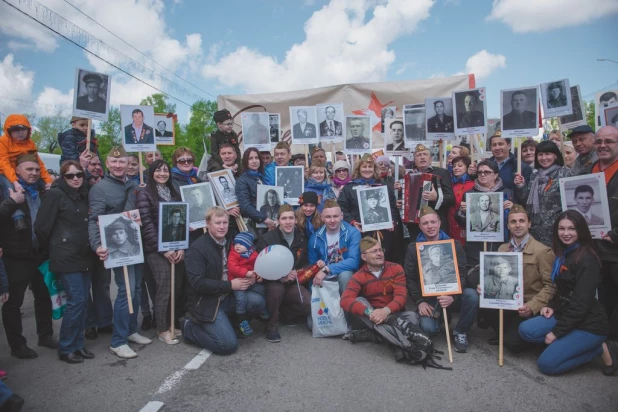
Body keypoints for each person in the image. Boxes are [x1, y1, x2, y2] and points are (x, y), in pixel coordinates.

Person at [518, 210, 617, 375]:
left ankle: (598, 349)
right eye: (561, 229)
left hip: (589, 324)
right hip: (565, 312)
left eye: (571, 229)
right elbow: (563, 288)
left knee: (546, 364)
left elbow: (580, 304)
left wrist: (556, 333)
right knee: (525, 330)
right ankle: (568, 341)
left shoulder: (588, 259)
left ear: (581, 230)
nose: (566, 233)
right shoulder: (563, 253)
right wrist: (552, 306)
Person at [88, 146, 152, 359]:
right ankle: (118, 341)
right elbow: (94, 219)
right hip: (116, 245)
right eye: (114, 162)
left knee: (136, 289)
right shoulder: (100, 188)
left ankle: (131, 330)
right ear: (107, 163)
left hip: (135, 244)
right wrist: (97, 245)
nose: (118, 165)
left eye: (122, 162)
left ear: (128, 164)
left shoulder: (135, 185)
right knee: (126, 292)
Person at [181, 207, 266, 355]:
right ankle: (189, 327)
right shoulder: (197, 249)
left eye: (225, 222)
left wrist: (252, 276)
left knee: (258, 301)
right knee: (227, 346)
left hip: (229, 297)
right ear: (207, 224)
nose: (222, 226)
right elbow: (198, 283)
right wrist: (230, 285)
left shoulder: (231, 243)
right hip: (207, 303)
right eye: (217, 222)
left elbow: (244, 264)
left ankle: (231, 325)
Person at [35, 160, 95, 364]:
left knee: (83, 301)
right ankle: (66, 347)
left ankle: (78, 344)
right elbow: (41, 227)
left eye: (79, 174)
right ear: (63, 177)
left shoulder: (83, 194)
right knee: (76, 300)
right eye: (70, 176)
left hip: (85, 255)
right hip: (66, 257)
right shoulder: (54, 194)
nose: (76, 178)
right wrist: (55, 248)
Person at [0, 153, 56, 359]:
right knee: (14, 302)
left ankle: (46, 335)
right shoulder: (7, 189)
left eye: (35, 169)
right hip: (16, 256)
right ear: (17, 170)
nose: (33, 173)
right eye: (28, 169)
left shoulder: (43, 189)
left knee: (43, 297)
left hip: (40, 253)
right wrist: (11, 202)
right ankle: (17, 345)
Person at [479, 205, 555, 350]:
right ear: (508, 225)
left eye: (522, 221)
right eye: (513, 222)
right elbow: (495, 276)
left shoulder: (542, 251)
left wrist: (532, 307)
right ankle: (503, 332)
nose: (518, 225)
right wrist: (485, 285)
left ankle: (538, 337)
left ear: (529, 224)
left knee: (512, 344)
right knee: (481, 299)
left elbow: (551, 286)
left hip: (528, 304)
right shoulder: (502, 249)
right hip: (508, 301)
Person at [404, 206, 478, 353]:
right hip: (430, 298)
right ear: (420, 226)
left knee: (472, 296)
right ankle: (441, 318)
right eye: (425, 223)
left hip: (452, 296)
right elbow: (410, 278)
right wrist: (420, 302)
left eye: (433, 222)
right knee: (428, 329)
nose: (430, 226)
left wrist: (453, 295)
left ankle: (460, 332)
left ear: (439, 223)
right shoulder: (414, 248)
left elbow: (462, 273)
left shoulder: (454, 245)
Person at [136, 159, 185, 345]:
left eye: (165, 170)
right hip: (156, 250)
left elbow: (181, 219)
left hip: (176, 245)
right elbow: (146, 224)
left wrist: (181, 247)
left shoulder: (174, 192)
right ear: (151, 172)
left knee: (177, 286)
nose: (162, 174)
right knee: (164, 287)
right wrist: (163, 249)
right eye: (158, 171)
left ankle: (172, 323)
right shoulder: (144, 193)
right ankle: (162, 328)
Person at [340, 236, 419, 346]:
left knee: (413, 317)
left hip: (393, 314)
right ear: (363, 256)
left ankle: (373, 335)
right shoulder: (359, 276)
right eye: (374, 251)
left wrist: (386, 311)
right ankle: (396, 339)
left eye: (380, 250)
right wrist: (371, 313)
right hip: (372, 317)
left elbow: (401, 297)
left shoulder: (396, 268)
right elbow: (345, 300)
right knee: (359, 300)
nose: (380, 254)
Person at [257, 205, 312, 342]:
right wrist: (282, 277)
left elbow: (305, 263)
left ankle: (285, 314)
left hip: (293, 283)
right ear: (278, 221)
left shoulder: (302, 238)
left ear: (295, 220)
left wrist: (298, 273)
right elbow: (261, 268)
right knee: (276, 290)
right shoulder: (267, 239)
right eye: (284, 218)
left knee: (308, 304)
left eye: (291, 218)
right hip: (273, 283)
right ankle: (271, 326)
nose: (288, 222)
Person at [338, 154, 402, 263]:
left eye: (370, 166)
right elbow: (342, 208)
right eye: (364, 167)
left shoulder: (383, 186)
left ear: (374, 168)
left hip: (384, 232)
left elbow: (392, 206)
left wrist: (392, 221)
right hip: (361, 232)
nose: (367, 169)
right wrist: (352, 222)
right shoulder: (349, 188)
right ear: (359, 169)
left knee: (385, 260)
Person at [514, 141, 571, 247]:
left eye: (547, 154)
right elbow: (527, 201)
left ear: (555, 155)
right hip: (535, 232)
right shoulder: (534, 176)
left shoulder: (565, 174)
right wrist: (521, 186)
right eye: (540, 154)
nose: (544, 158)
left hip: (556, 232)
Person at [457, 160, 513, 266]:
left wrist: (512, 209)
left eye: (487, 172)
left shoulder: (507, 193)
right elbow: (462, 223)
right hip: (476, 248)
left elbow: (514, 221)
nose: (482, 174)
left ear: (495, 175)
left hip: (500, 245)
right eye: (480, 172)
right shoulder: (469, 194)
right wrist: (463, 212)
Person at [592, 126, 618, 343]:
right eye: (599, 141)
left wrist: (616, 234)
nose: (603, 145)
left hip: (615, 249)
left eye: (608, 141)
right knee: (605, 298)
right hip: (596, 249)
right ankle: (608, 347)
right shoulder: (591, 170)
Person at [308, 199, 361, 295]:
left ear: (341, 216)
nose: (332, 220)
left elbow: (354, 261)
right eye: (328, 217)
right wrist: (317, 266)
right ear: (322, 217)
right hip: (323, 278)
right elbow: (311, 267)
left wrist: (327, 269)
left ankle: (347, 307)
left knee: (345, 275)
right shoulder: (315, 238)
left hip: (343, 274)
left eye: (335, 216)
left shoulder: (352, 233)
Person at [0, 115, 53, 200]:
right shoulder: (2, 141)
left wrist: (48, 181)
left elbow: (39, 163)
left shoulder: (30, 143)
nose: (20, 132)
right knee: (10, 187)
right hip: (5, 173)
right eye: (16, 129)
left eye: (24, 129)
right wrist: (15, 182)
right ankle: (15, 212)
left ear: (28, 130)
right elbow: (4, 163)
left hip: (25, 172)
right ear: (9, 131)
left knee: (51, 187)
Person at [407, 144, 455, 239]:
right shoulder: (409, 176)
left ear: (431, 158)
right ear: (414, 159)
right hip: (415, 225)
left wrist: (437, 197)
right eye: (418, 155)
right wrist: (402, 201)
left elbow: (451, 199)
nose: (422, 157)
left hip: (436, 224)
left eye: (425, 154)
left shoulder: (442, 172)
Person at [228, 232, 267, 337]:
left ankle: (263, 309)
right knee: (241, 299)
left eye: (241, 244)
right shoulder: (233, 254)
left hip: (250, 279)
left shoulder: (253, 254)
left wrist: (258, 275)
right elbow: (232, 267)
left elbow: (257, 266)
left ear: (249, 245)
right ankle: (241, 320)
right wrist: (246, 272)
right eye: (236, 243)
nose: (237, 246)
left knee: (262, 288)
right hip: (237, 281)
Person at [447, 155, 474, 246]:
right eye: (454, 166)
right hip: (450, 224)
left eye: (460, 165)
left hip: (463, 225)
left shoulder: (473, 185)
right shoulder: (450, 183)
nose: (456, 168)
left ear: (467, 167)